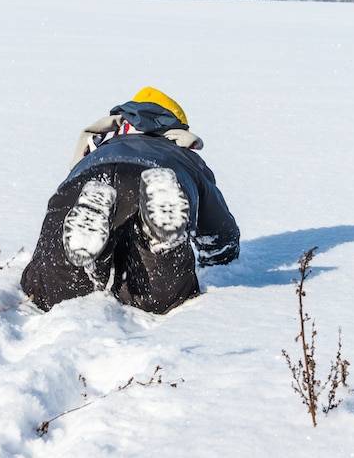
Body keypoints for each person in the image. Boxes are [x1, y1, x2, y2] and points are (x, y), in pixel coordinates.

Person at [21, 86, 240, 314]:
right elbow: (221, 232)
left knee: (46, 288)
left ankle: (78, 253)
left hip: (87, 180)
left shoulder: (97, 149)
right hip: (153, 176)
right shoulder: (185, 158)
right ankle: (158, 243)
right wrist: (222, 257)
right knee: (158, 298)